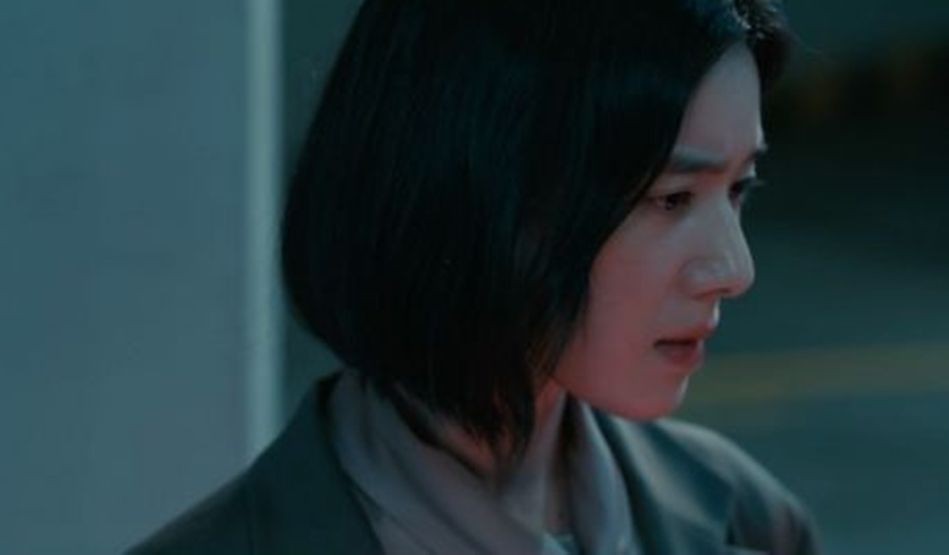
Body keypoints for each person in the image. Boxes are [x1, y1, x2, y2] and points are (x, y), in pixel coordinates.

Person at [129, 0, 820, 553]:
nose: (735, 270)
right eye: (671, 199)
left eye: (740, 188)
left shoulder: (746, 517)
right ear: (483, 192)